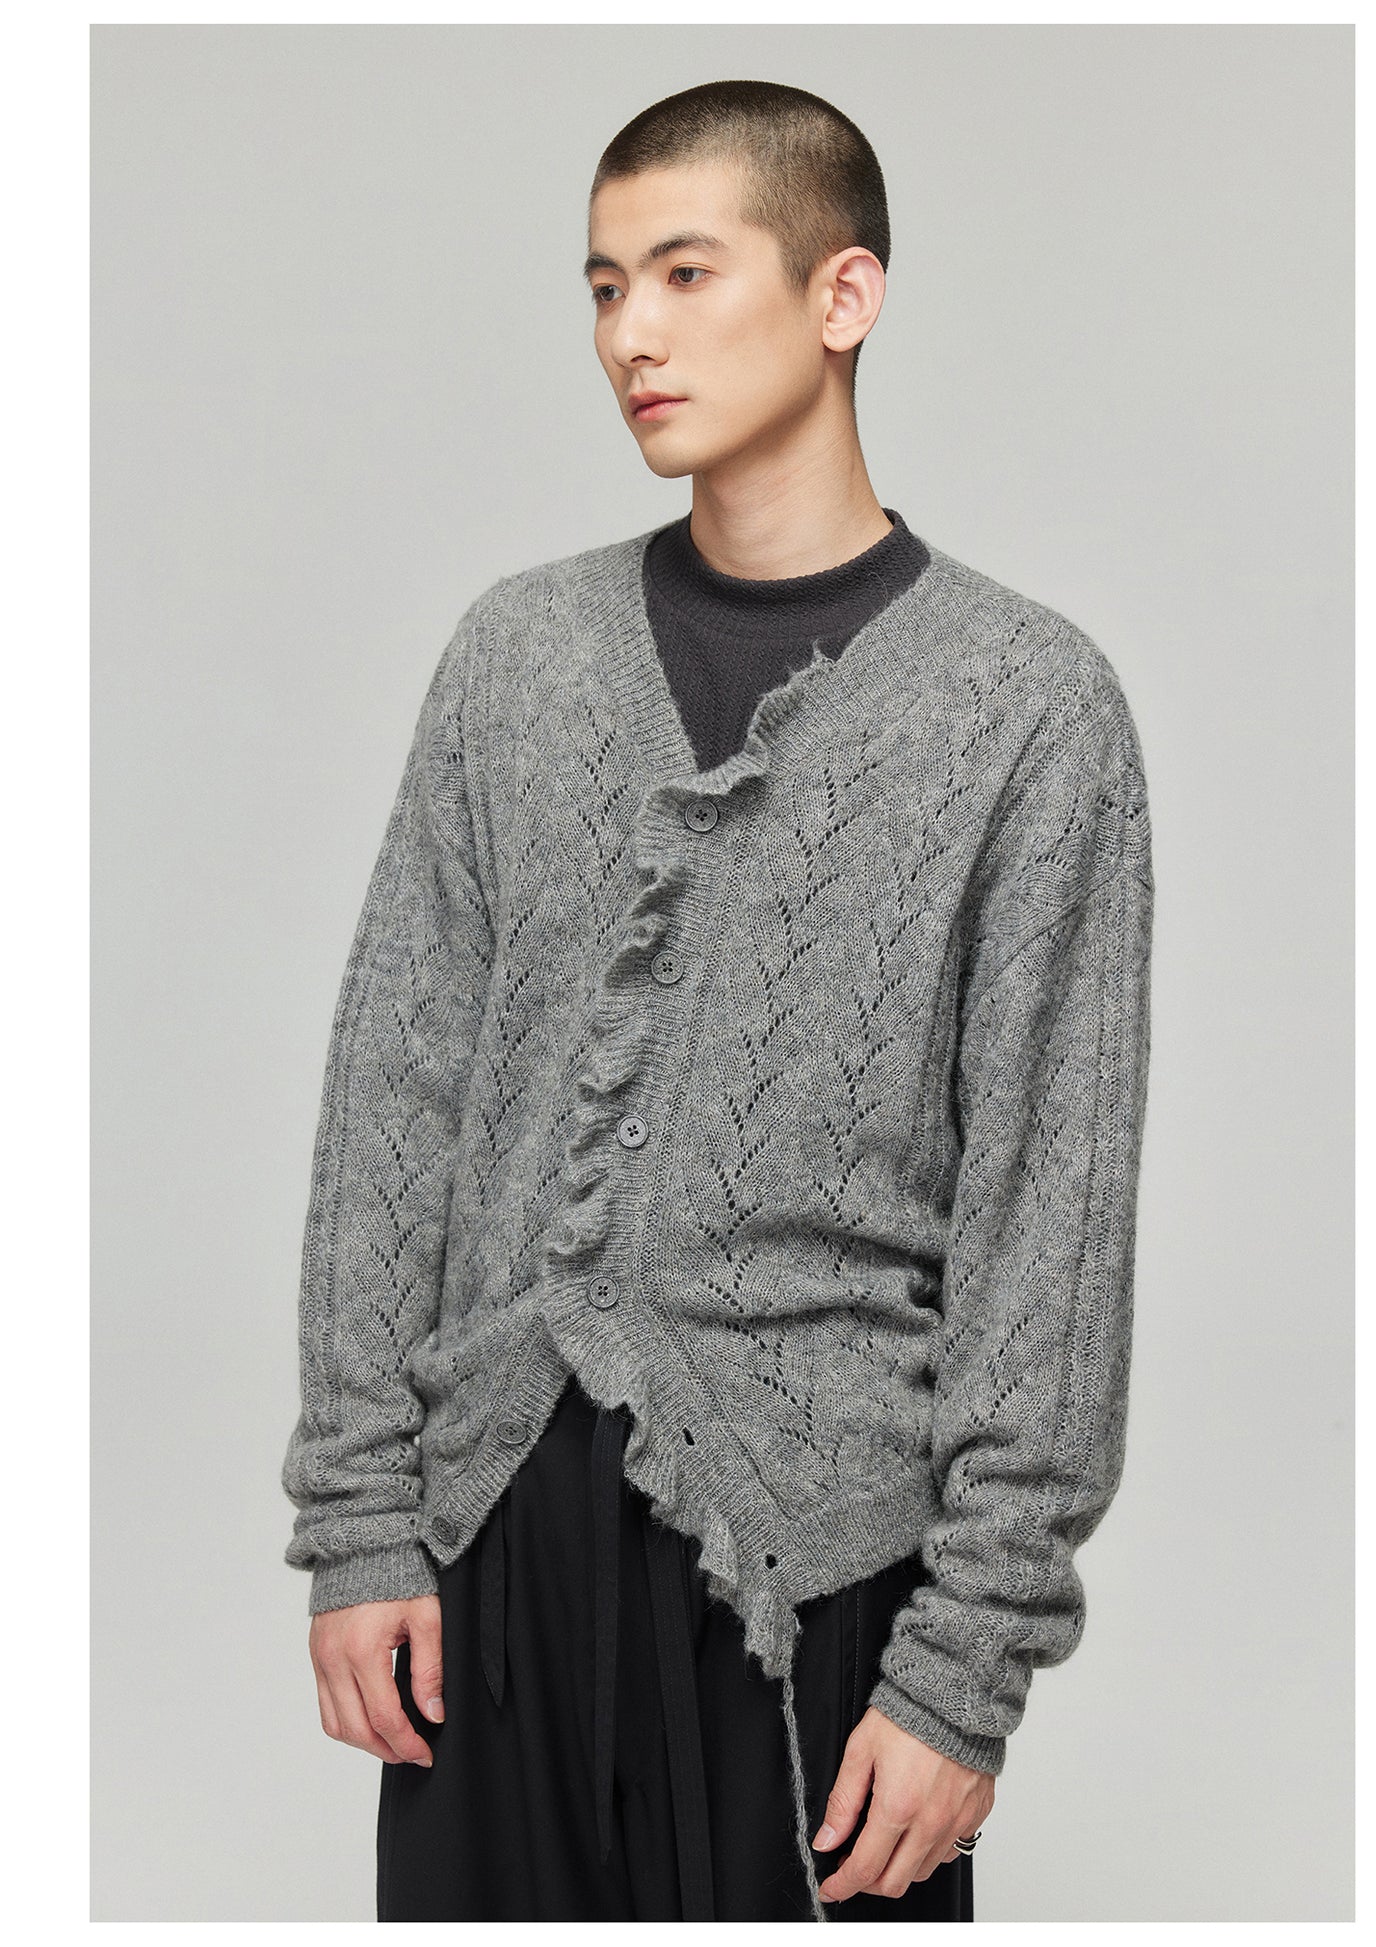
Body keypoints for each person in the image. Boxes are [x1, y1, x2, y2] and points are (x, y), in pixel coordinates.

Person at [281, 78, 1155, 1925]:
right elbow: (395, 1102)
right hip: (491, 1539)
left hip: (819, 1566)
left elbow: (1047, 1216)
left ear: (844, 295)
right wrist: (359, 1520)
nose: (633, 335)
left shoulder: (1026, 710)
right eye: (604, 287)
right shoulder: (517, 657)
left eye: (685, 273)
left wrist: (965, 1666)